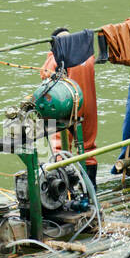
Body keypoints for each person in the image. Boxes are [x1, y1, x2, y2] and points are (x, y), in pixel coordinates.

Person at [41, 28, 98, 183]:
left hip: (68, 108)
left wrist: (51, 56)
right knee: (88, 148)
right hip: (89, 107)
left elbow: (45, 75)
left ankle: (66, 190)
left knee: (60, 149)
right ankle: (90, 187)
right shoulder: (88, 55)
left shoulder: (56, 59)